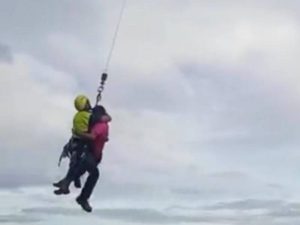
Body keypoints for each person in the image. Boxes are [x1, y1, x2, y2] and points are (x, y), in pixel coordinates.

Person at [54, 105, 110, 213]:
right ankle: (81, 197)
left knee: (81, 169)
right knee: (93, 174)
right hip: (91, 153)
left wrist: (78, 133)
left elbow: (94, 136)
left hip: (93, 154)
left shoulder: (100, 125)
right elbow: (97, 136)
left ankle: (66, 183)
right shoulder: (102, 125)